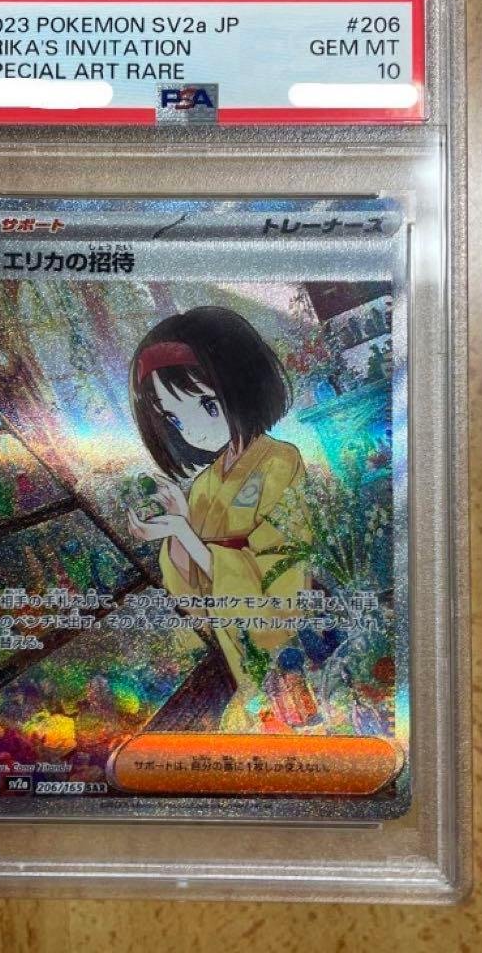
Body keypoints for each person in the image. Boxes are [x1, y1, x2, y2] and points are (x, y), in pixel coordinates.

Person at [127, 306, 309, 728]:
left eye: (207, 405)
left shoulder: (280, 462)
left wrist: (186, 533)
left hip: (288, 654)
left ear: (241, 387)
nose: (192, 431)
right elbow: (195, 603)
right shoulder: (205, 485)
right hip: (240, 661)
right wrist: (178, 528)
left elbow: (280, 587)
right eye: (174, 418)